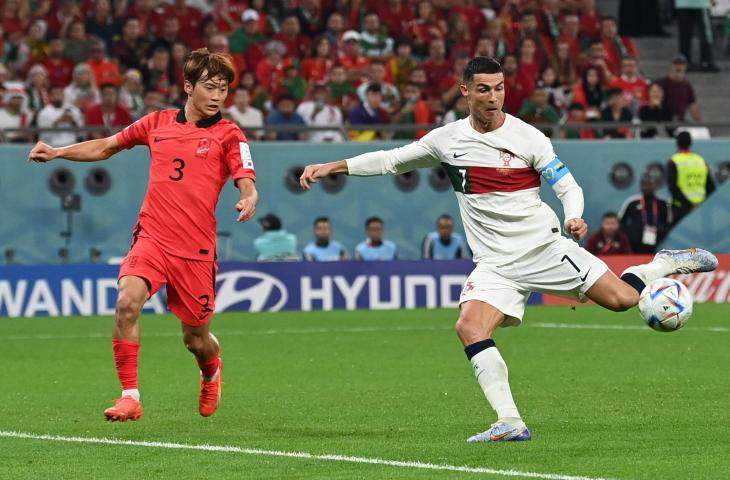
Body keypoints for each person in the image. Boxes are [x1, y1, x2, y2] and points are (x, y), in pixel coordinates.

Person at [299, 56, 718, 443]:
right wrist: (330, 166)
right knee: (469, 327)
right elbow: (391, 160)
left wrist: (574, 215)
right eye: (484, 89)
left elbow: (566, 184)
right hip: (495, 263)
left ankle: (661, 266)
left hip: (542, 247)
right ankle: (511, 421)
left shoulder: (527, 137)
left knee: (623, 300)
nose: (494, 96)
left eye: (499, 87)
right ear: (465, 91)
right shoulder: (447, 140)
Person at [28, 48, 259, 422]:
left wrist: (248, 198)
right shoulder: (156, 123)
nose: (218, 96)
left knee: (196, 339)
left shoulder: (229, 134)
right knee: (127, 301)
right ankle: (130, 396)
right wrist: (57, 152)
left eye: (223, 89)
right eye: (210, 87)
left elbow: (246, 178)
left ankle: (211, 367)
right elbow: (106, 146)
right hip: (152, 236)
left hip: (196, 249)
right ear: (188, 86)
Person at [667, 131, 715, 225]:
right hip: (701, 209)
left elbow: (673, 188)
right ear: (691, 143)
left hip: (681, 209)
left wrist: (689, 205)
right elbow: (711, 188)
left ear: (677, 143)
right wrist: (702, 205)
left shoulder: (674, 161)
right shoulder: (700, 160)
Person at [619, 176, 671, 254]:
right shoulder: (632, 202)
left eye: (650, 184)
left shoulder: (663, 203)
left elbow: (668, 223)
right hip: (633, 244)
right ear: (641, 187)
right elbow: (621, 222)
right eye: (644, 185)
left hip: (654, 242)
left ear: (655, 186)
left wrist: (660, 235)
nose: (647, 187)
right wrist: (629, 236)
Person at [675, 0, 719, 72]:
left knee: (684, 34)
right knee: (705, 33)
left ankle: (684, 63)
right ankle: (706, 62)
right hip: (701, 4)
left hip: (682, 4)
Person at [656, 55, 701, 122]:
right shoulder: (661, 83)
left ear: (685, 67)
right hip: (664, 121)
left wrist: (699, 122)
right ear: (671, 66)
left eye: (682, 64)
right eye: (676, 64)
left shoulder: (686, 85)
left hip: (680, 121)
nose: (679, 67)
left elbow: (692, 104)